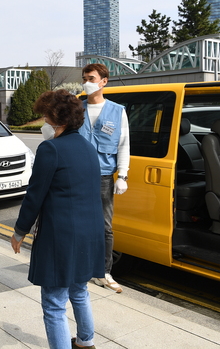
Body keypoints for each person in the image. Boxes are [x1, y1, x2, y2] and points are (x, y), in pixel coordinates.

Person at [12, 89, 104, 349]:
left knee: (54, 303)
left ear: (57, 118)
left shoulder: (50, 148)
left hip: (62, 235)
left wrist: (19, 231)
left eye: (45, 117)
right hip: (89, 232)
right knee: (79, 290)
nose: (44, 123)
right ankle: (86, 341)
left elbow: (35, 196)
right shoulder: (88, 147)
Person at [78, 63, 130, 294]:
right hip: (76, 176)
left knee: (104, 227)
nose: (86, 82)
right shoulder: (75, 109)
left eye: (91, 78)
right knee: (77, 224)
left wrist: (123, 175)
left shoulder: (117, 111)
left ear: (103, 81)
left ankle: (103, 272)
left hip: (104, 178)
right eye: (84, 78)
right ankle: (77, 267)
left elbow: (124, 145)